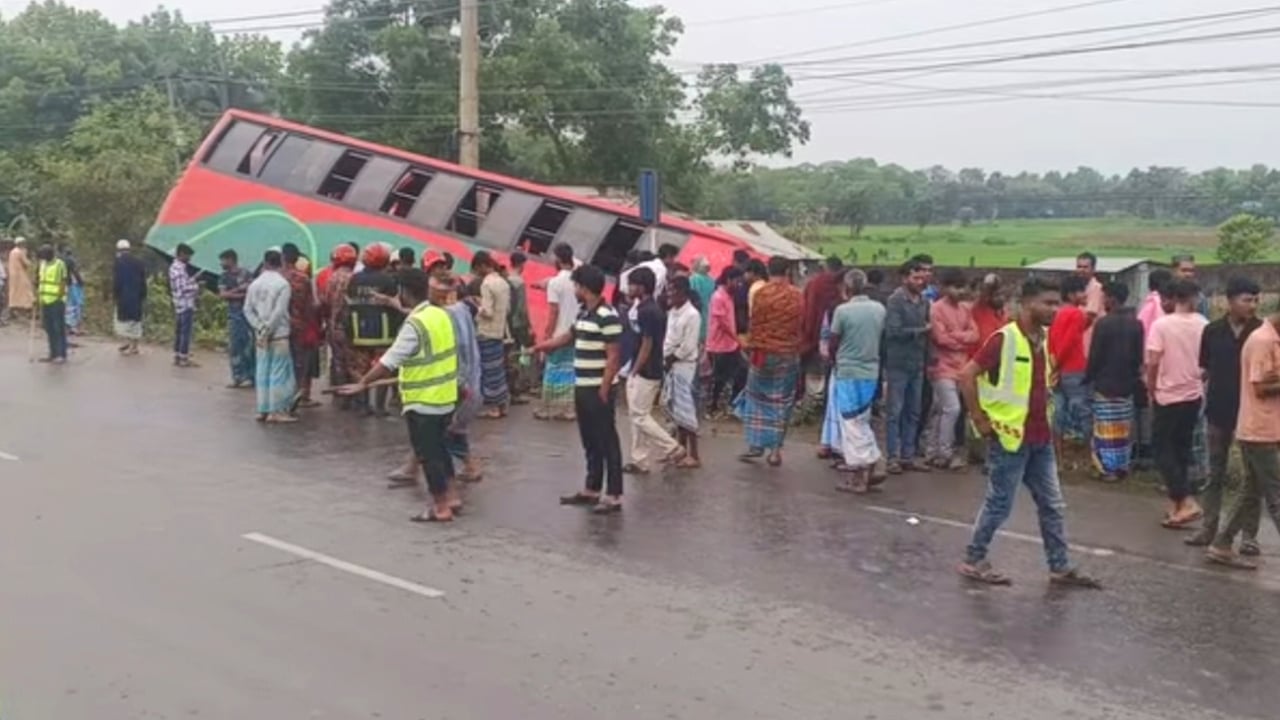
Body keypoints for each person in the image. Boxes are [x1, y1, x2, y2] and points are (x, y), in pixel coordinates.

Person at [957, 278, 1100, 589]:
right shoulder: (1004, 339)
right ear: (1027, 303)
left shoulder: (1044, 339)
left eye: (1056, 303)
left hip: (1039, 436)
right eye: (1047, 303)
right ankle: (973, 558)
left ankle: (1059, 567)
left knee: (1053, 504)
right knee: (1000, 504)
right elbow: (966, 376)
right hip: (1009, 437)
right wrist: (979, 420)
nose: (1055, 309)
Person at [339, 270, 462, 522]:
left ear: (404, 292)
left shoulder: (415, 325)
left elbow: (389, 361)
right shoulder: (441, 315)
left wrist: (363, 383)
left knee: (428, 455)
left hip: (424, 400)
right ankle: (452, 496)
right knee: (441, 450)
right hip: (445, 397)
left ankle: (440, 508)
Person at [535, 264, 625, 515]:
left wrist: (604, 389)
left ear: (585, 288)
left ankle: (614, 494)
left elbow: (613, 357)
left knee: (607, 440)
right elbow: (568, 337)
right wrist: (543, 346)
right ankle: (592, 488)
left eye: (576, 285)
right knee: (590, 439)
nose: (575, 289)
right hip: (582, 385)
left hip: (597, 388)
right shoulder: (584, 314)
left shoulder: (608, 316)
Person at [1187, 277, 1263, 552]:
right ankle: (1208, 529)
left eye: (1256, 300)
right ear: (1229, 301)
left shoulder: (1262, 331)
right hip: (1218, 410)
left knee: (1252, 478)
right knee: (1214, 473)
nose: (1252, 305)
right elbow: (1205, 368)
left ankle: (1249, 537)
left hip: (1252, 414)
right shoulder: (1213, 331)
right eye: (1246, 299)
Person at [1204, 306, 1280, 570]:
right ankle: (1221, 543)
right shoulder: (1263, 341)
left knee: (1251, 489)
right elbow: (1259, 387)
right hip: (1260, 430)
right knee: (1275, 494)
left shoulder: (1272, 339)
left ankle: (1222, 544)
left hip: (1267, 426)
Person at [1146, 278, 1208, 529]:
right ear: (1194, 298)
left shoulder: (1162, 325)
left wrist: (1151, 387)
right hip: (1193, 394)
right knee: (1181, 449)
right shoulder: (1204, 325)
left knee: (1161, 449)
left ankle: (1185, 499)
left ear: (1174, 298)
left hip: (1167, 394)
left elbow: (1153, 362)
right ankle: (1177, 505)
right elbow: (1207, 363)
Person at [737, 255, 803, 467]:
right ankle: (775, 452)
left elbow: (754, 324)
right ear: (788, 271)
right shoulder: (797, 295)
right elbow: (800, 325)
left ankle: (756, 445)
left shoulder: (760, 293)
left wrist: (749, 346)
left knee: (757, 400)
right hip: (788, 354)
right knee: (782, 402)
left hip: (762, 353)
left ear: (768, 269)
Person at [827, 269, 887, 492]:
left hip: (848, 371)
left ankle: (865, 469)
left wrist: (834, 360)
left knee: (851, 422)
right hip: (871, 371)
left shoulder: (842, 311)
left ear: (847, 288)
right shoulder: (879, 309)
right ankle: (869, 467)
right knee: (862, 419)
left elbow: (834, 342)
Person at [622, 266, 680, 474]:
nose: (628, 288)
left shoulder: (648, 312)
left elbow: (647, 343)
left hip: (646, 369)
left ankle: (671, 447)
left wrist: (635, 369)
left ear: (642, 287)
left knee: (639, 415)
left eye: (632, 285)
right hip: (648, 367)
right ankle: (639, 459)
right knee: (636, 415)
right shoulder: (646, 308)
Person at [1084, 282, 1144, 482]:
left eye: (1104, 297)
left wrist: (1088, 377)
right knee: (1123, 428)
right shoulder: (1136, 324)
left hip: (1105, 385)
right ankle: (1122, 466)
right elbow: (1138, 358)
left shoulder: (1103, 324)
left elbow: (1095, 356)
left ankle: (1107, 468)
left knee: (1105, 428)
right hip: (1126, 385)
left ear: (1112, 299)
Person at [926, 269, 978, 470]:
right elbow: (940, 338)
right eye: (956, 287)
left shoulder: (965, 309)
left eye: (962, 287)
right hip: (942, 366)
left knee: (940, 410)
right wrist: (961, 338)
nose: (961, 291)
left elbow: (975, 335)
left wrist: (955, 337)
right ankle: (945, 452)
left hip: (960, 367)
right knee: (952, 408)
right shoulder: (936, 309)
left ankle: (933, 451)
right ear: (946, 288)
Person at [883, 259, 931, 474]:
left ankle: (907, 455)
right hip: (898, 363)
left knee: (913, 411)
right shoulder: (895, 301)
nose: (920, 282)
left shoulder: (923, 301)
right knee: (894, 411)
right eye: (916, 277)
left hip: (917, 362)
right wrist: (921, 331)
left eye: (922, 278)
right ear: (905, 278)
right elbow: (892, 332)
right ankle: (892, 456)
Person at [347, 244, 401, 416]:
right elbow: (395, 306)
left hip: (359, 331)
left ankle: (362, 405)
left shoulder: (354, 279)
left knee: (360, 368)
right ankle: (379, 406)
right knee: (383, 368)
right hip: (383, 333)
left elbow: (348, 302)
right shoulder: (388, 280)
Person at [244, 250, 297, 423]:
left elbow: (247, 309)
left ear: (265, 262)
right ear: (281, 263)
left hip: (260, 335)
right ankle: (278, 411)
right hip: (279, 334)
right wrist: (268, 329)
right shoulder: (283, 284)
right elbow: (279, 312)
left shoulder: (255, 284)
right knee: (279, 372)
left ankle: (263, 410)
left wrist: (260, 328)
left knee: (262, 372)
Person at [663, 275, 703, 469]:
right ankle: (680, 450)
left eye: (673, 291)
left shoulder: (692, 315)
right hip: (671, 364)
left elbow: (688, 345)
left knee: (686, 410)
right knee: (677, 411)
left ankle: (694, 454)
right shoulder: (673, 312)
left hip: (683, 365)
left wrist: (671, 357)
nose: (669, 295)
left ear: (683, 293)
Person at [536, 243, 579, 421]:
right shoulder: (578, 281)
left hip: (559, 334)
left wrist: (547, 335)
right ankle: (568, 410)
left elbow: (553, 312)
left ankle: (547, 409)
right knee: (570, 371)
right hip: (575, 332)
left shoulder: (555, 283)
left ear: (559, 260)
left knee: (552, 370)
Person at [1048, 275, 1091, 446]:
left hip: (1058, 368)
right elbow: (1069, 341)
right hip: (1074, 368)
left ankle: (1057, 450)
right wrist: (1059, 362)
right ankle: (1090, 451)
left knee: (1058, 410)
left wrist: (1054, 366)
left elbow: (1051, 341)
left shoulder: (1056, 313)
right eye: (1081, 292)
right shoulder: (1077, 314)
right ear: (1071, 295)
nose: (1085, 296)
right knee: (1082, 410)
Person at [471, 251, 511, 418]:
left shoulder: (486, 284)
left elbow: (487, 312)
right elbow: (506, 309)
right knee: (498, 369)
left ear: (481, 266)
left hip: (486, 332)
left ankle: (493, 407)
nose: (475, 273)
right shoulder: (503, 282)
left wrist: (476, 305)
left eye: (476, 268)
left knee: (488, 371)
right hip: (499, 331)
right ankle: (502, 404)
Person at [282, 244, 322, 408]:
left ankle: (279, 397)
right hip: (300, 326)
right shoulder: (303, 279)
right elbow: (311, 305)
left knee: (281, 362)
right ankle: (297, 393)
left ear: (283, 257)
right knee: (299, 362)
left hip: (279, 326)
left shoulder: (277, 277)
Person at [707, 267, 746, 417]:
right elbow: (723, 323)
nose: (739, 284)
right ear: (728, 279)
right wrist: (737, 339)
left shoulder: (729, 296)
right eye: (737, 281)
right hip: (719, 345)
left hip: (729, 344)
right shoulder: (718, 297)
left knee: (734, 374)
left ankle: (724, 404)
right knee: (718, 378)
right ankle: (712, 407)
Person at [322, 244, 359, 402]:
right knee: (353, 362)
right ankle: (354, 396)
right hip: (351, 326)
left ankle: (341, 395)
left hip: (333, 325)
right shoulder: (355, 277)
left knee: (338, 361)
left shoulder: (332, 277)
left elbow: (326, 302)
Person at [218, 250, 255, 388]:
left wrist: (232, 293)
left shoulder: (246, 273)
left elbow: (251, 292)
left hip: (248, 314)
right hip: (234, 315)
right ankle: (238, 376)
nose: (221, 264)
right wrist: (240, 290)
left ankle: (251, 376)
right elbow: (223, 295)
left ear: (231, 260)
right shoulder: (223, 277)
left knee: (249, 345)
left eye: (223, 260)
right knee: (235, 346)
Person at [112, 240, 147, 356]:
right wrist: (143, 294)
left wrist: (115, 295)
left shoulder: (118, 262)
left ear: (119, 250)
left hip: (123, 296)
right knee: (136, 320)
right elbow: (143, 280)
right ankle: (134, 346)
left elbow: (117, 281)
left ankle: (126, 342)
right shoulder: (139, 262)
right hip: (137, 295)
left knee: (124, 320)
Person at [35, 244, 69, 364]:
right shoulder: (43, 264)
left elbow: (63, 281)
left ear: (50, 254)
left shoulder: (59, 264)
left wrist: (60, 297)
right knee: (48, 328)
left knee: (58, 328)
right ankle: (52, 353)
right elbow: (40, 281)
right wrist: (37, 296)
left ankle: (61, 354)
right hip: (45, 300)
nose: (43, 258)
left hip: (56, 301)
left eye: (44, 255)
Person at [168, 243, 200, 368]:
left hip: (178, 303)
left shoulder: (174, 267)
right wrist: (197, 287)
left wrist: (193, 279)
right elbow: (183, 288)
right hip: (185, 303)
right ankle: (183, 357)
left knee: (179, 331)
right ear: (181, 254)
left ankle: (177, 355)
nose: (189, 259)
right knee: (185, 332)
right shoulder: (180, 269)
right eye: (188, 256)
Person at [969, 273, 1008, 352]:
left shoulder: (1004, 315)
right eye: (996, 295)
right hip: (978, 359)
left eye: (1002, 294)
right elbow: (984, 292)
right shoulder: (980, 309)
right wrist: (991, 282)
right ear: (988, 297)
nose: (1001, 298)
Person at [1076, 251, 1105, 350]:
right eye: (1079, 267)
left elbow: (1090, 316)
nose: (1081, 270)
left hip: (1090, 339)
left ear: (1093, 269)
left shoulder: (1096, 288)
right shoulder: (1080, 287)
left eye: (1085, 267)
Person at [689, 256, 716, 345]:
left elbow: (692, 294)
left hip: (700, 309)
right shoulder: (711, 280)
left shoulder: (694, 278)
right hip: (707, 309)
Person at [6, 237, 33, 322]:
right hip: (20, 274)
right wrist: (31, 263)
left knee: (14, 292)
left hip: (13, 275)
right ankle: (28, 309)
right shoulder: (20, 252)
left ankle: (13, 309)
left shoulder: (12, 251)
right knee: (26, 290)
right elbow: (26, 263)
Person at [60, 244, 85, 337]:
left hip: (65, 284)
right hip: (73, 284)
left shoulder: (60, 261)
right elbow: (75, 272)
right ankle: (76, 327)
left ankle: (68, 326)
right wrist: (81, 282)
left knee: (68, 305)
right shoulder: (71, 261)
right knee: (77, 305)